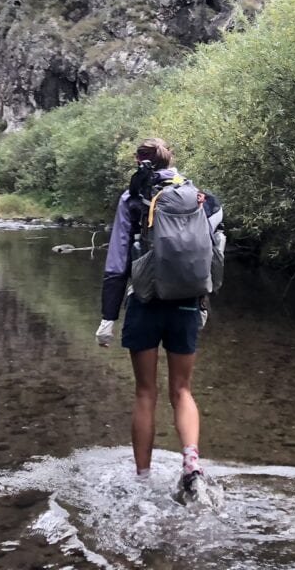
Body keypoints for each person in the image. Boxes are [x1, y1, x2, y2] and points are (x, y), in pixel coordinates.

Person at [95, 137, 222, 497]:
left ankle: (142, 479)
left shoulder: (132, 199)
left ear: (139, 161)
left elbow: (118, 262)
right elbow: (213, 251)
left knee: (145, 393)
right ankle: (192, 464)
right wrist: (204, 302)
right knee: (182, 390)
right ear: (172, 160)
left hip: (145, 303)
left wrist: (108, 316)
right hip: (187, 303)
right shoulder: (201, 197)